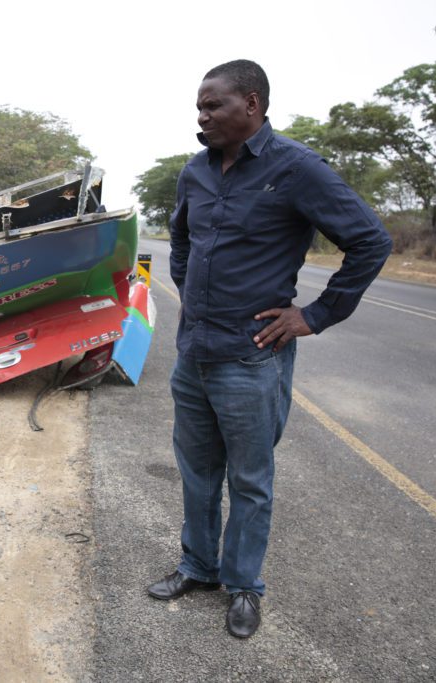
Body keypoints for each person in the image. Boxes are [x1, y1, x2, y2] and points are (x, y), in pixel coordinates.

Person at [146, 59, 392, 638]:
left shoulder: (298, 169)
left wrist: (316, 314)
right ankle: (198, 567)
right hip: (194, 354)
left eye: (213, 106)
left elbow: (371, 241)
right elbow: (181, 237)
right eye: (199, 106)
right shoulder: (194, 173)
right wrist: (188, 288)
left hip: (251, 357)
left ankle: (244, 587)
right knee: (198, 471)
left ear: (251, 104)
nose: (201, 116)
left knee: (250, 481)